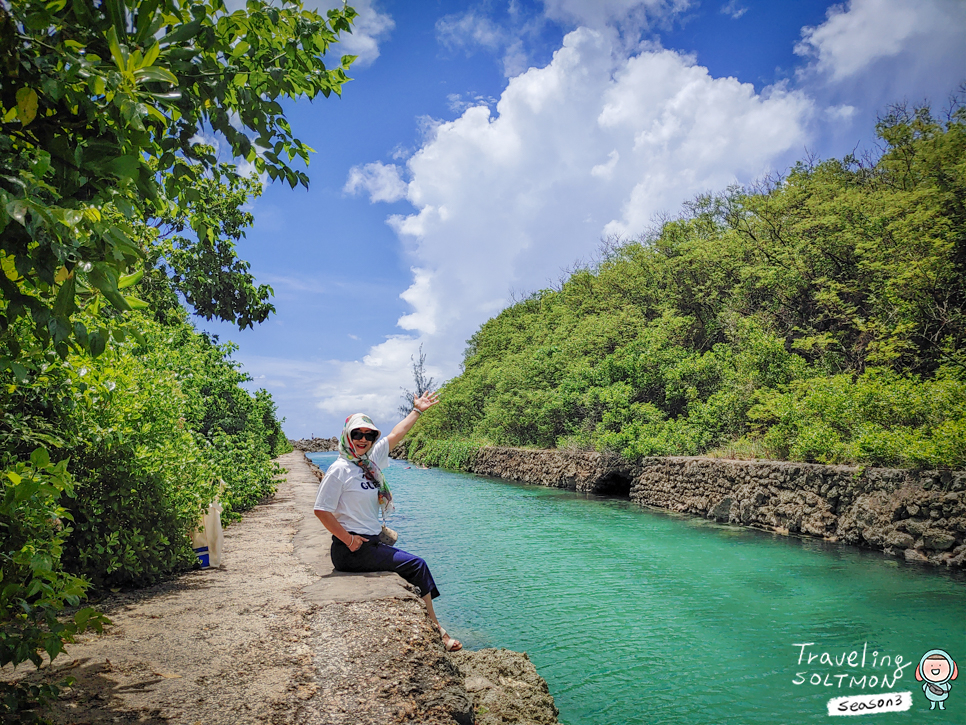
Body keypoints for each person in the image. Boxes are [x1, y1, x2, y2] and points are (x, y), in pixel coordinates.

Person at [312, 392, 462, 652]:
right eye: (357, 434)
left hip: (369, 542)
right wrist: (348, 540)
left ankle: (434, 624)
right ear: (347, 436)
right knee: (417, 565)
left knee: (409, 563)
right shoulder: (340, 469)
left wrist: (418, 411)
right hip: (352, 550)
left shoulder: (369, 463)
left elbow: (396, 434)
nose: (362, 439)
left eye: (369, 435)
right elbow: (321, 510)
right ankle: (438, 630)